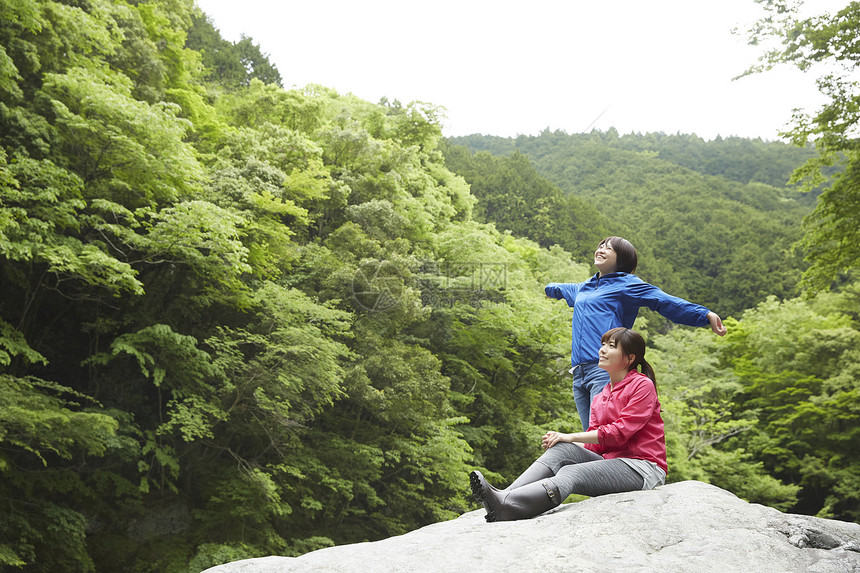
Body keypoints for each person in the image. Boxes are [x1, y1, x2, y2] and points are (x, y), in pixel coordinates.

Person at [470, 327, 666, 522]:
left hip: (642, 467)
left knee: (571, 471)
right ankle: (503, 498)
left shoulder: (642, 385)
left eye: (611, 346)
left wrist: (570, 436)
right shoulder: (600, 396)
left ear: (629, 359)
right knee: (563, 448)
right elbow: (597, 445)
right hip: (613, 463)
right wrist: (562, 441)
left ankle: (511, 507)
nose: (602, 350)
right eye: (603, 344)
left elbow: (619, 432)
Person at [546, 236, 726, 431]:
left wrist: (704, 314)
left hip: (604, 371)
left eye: (609, 248)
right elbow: (560, 288)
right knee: (592, 439)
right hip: (579, 373)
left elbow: (662, 300)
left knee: (604, 436)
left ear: (622, 259)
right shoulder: (584, 288)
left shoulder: (627, 284)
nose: (601, 249)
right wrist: (549, 290)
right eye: (600, 246)